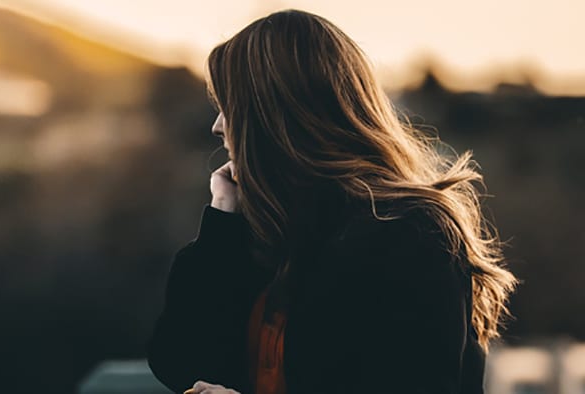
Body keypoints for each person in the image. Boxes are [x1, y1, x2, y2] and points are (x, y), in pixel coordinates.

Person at [146, 9, 517, 394]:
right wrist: (223, 223)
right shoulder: (273, 233)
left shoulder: (408, 233)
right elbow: (180, 362)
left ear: (278, 117)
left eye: (232, 107)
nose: (218, 125)